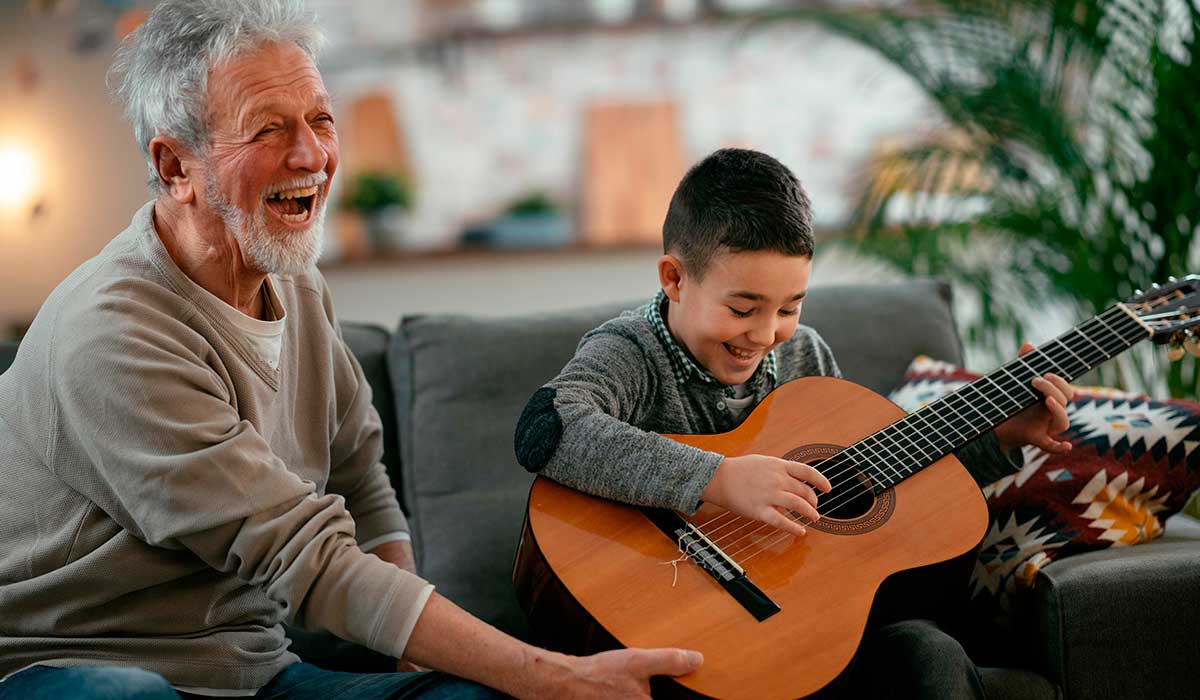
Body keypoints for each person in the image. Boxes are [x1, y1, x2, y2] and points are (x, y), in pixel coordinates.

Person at [0, 2, 703, 699]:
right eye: (268, 129)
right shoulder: (114, 332)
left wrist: (415, 658)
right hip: (70, 666)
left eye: (320, 119)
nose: (311, 155)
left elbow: (360, 476)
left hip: (253, 672)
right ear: (176, 166)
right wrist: (555, 677)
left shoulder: (297, 284)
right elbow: (301, 554)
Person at [513, 147, 1075, 698]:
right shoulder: (631, 353)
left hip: (802, 629)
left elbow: (880, 481)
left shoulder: (806, 357)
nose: (763, 334)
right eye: (742, 309)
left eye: (788, 308)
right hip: (672, 618)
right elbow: (547, 426)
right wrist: (719, 479)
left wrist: (998, 436)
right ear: (675, 279)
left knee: (930, 654)